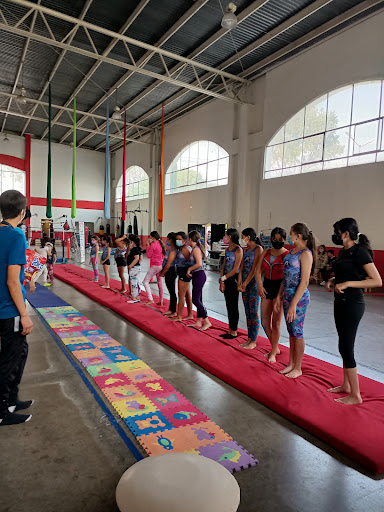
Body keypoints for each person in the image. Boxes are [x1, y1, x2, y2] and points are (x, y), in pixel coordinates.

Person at [326, 218, 382, 405]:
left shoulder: (360, 252)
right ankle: (346, 385)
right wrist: (334, 280)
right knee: (342, 344)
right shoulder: (343, 252)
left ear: (346, 233)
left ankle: (355, 395)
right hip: (339, 301)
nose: (334, 235)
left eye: (336, 231)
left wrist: (349, 283)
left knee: (347, 347)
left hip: (353, 303)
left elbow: (376, 281)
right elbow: (346, 273)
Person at [0, 189, 34, 426]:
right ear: (22, 212)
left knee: (20, 353)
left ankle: (12, 399)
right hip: (9, 310)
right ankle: (3, 411)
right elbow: (12, 280)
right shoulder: (16, 236)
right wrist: (24, 315)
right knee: (9, 361)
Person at [275, 223, 315, 379]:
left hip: (298, 297)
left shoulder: (305, 254)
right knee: (291, 330)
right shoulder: (292, 252)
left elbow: (304, 281)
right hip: (287, 294)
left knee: (297, 331)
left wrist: (293, 304)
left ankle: (298, 367)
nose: (289, 236)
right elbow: (285, 278)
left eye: (291, 233)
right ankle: (291, 363)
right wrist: (279, 296)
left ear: (298, 235)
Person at [255, 227, 288, 363]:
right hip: (267, 286)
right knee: (264, 322)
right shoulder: (267, 252)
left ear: (284, 240)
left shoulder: (286, 254)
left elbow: (287, 276)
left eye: (280, 239)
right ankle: (275, 347)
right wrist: (260, 286)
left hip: (280, 288)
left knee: (276, 323)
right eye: (274, 238)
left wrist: (280, 296)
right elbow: (258, 271)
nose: (277, 241)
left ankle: (273, 351)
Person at [238, 228, 263, 349]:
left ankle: (254, 340)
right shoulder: (246, 250)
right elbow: (242, 267)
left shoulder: (258, 249)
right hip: (244, 284)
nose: (242, 239)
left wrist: (245, 283)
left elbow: (255, 270)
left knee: (253, 312)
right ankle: (249, 338)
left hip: (253, 285)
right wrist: (239, 282)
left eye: (243, 237)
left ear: (248, 237)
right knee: (247, 312)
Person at [219, 228, 243, 339]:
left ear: (231, 236)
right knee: (228, 305)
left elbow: (235, 269)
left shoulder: (238, 250)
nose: (225, 238)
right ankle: (230, 329)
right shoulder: (228, 249)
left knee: (233, 305)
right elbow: (224, 265)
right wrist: (222, 280)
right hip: (226, 278)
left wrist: (224, 278)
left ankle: (234, 330)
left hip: (233, 278)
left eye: (226, 236)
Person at [186, 230, 211, 331]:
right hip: (197, 275)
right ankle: (198, 321)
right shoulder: (194, 249)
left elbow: (199, 264)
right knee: (199, 299)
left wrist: (189, 269)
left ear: (191, 239)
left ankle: (206, 321)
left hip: (199, 275)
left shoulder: (196, 249)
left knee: (195, 300)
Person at [171, 232, 193, 322]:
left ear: (184, 240)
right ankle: (190, 314)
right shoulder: (181, 248)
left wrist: (189, 271)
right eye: (177, 239)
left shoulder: (185, 249)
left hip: (184, 273)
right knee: (187, 294)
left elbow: (191, 261)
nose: (178, 241)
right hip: (182, 272)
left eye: (180, 239)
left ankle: (179, 315)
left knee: (181, 295)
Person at [143, 231, 165, 306]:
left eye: (150, 237)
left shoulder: (153, 245)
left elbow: (149, 255)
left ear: (153, 237)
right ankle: (161, 301)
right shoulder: (160, 244)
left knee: (145, 281)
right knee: (160, 283)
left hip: (155, 265)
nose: (149, 238)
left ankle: (150, 299)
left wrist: (148, 246)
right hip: (160, 265)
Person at [159, 232, 178, 317]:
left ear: (170, 240)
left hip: (170, 271)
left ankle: (173, 311)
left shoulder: (173, 252)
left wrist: (163, 273)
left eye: (167, 239)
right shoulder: (170, 250)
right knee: (171, 291)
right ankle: (171, 309)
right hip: (168, 271)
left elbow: (168, 265)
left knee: (172, 291)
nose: (166, 241)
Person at [127, 235, 142, 303]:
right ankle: (138, 297)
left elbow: (137, 258)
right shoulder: (138, 249)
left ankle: (134, 298)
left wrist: (130, 266)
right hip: (137, 267)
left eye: (130, 242)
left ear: (132, 242)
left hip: (134, 268)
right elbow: (140, 258)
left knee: (134, 283)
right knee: (137, 282)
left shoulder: (134, 250)